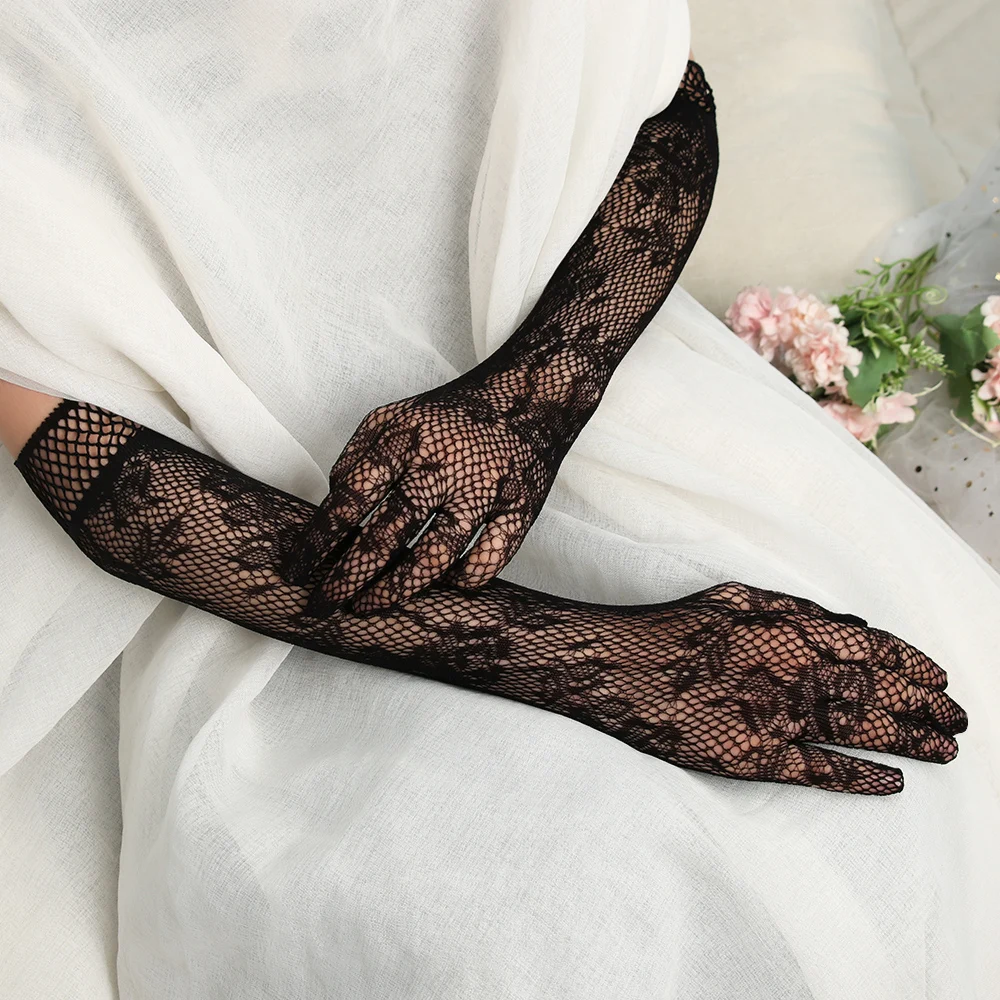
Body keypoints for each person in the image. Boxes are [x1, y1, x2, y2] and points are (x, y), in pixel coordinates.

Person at [1, 3, 997, 998]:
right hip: (261, 571)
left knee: (918, 802)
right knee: (557, 919)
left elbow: (667, 105)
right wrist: (609, 659)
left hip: (601, 394)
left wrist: (531, 399)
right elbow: (109, 477)